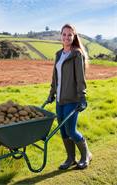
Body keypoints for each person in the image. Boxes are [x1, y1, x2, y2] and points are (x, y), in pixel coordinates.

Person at [47, 24, 92, 170]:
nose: (66, 37)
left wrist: (82, 97)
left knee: (71, 130)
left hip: (72, 99)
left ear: (74, 37)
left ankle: (86, 155)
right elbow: (55, 77)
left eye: (69, 35)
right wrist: (51, 93)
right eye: (64, 34)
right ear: (60, 35)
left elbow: (80, 78)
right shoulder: (58, 54)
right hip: (59, 99)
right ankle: (71, 158)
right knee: (63, 131)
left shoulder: (76, 54)